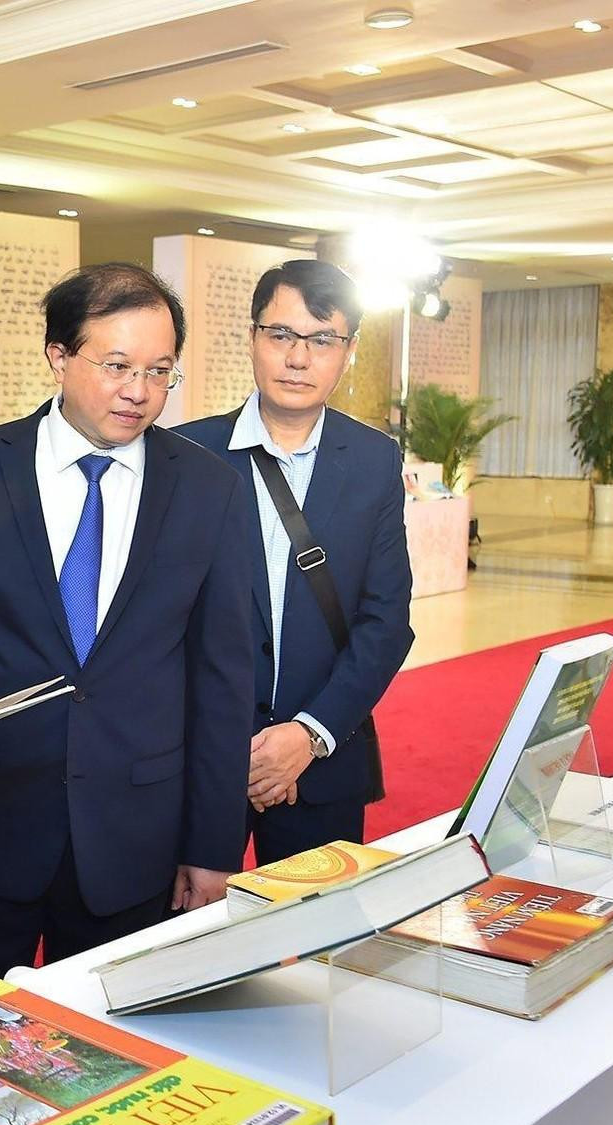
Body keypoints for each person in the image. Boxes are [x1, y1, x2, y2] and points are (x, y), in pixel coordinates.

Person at [0, 263, 255, 982]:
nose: (139, 391)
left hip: (135, 839)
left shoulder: (208, 487)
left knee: (114, 1035)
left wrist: (213, 846)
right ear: (59, 356)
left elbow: (223, 678)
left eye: (160, 371)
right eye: (117, 365)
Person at [178, 260, 414, 863]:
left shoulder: (374, 462)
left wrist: (309, 734)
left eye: (322, 340)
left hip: (323, 761)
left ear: (350, 351)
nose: (298, 358)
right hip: (199, 763)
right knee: (189, 921)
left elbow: (386, 621)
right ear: (252, 337)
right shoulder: (186, 456)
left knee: (316, 922)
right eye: (280, 334)